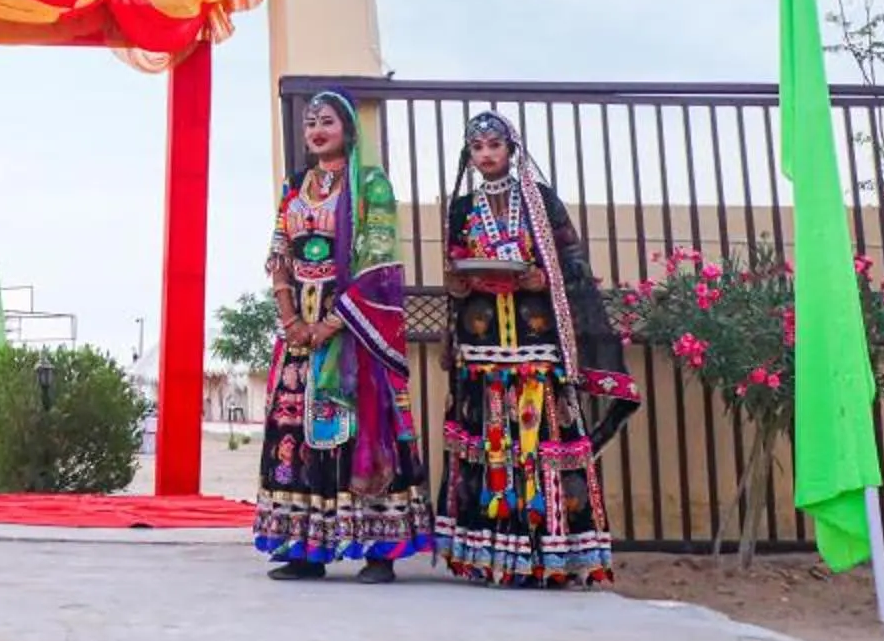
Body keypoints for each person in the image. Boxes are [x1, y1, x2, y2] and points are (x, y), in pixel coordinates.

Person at [430, 111, 641, 588]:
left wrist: (543, 278)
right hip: (481, 351)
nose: (486, 154)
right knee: (489, 449)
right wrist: (458, 285)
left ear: (511, 149)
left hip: (536, 346)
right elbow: (455, 271)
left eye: (494, 145)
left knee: (540, 447)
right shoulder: (461, 209)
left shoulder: (541, 201)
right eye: (477, 147)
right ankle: (490, 558)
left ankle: (551, 558)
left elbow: (574, 263)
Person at [253, 89, 432, 582]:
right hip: (300, 335)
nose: (316, 130)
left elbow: (378, 262)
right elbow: (279, 255)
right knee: (295, 435)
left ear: (348, 129)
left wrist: (333, 323)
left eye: (327, 121)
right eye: (310, 122)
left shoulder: (371, 184)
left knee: (358, 433)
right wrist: (292, 321)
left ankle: (379, 551)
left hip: (357, 331)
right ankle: (305, 551)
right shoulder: (295, 186)